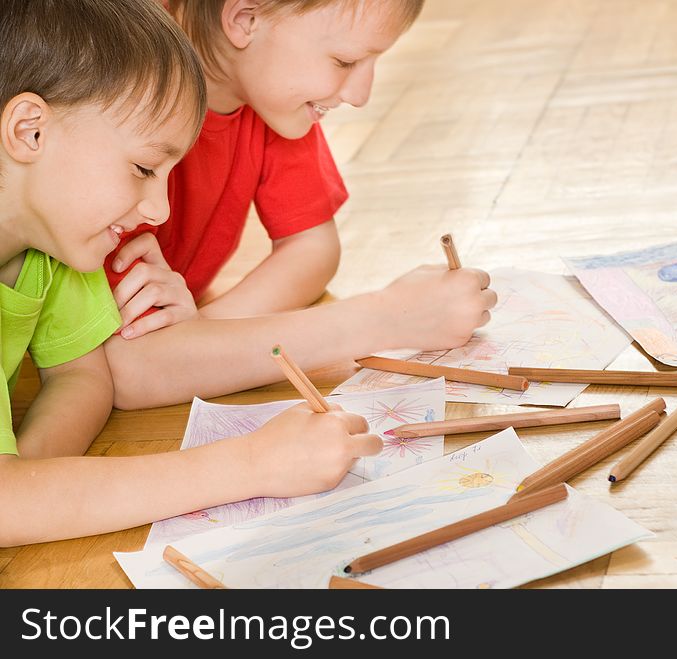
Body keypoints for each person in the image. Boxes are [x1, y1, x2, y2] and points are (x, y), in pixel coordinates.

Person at [0, 0, 380, 548]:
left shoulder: (53, 245)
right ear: (30, 131)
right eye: (143, 169)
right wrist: (253, 462)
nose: (160, 210)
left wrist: (33, 482)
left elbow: (83, 378)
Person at [101, 0, 498, 410]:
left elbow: (312, 247)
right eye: (345, 61)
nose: (361, 95)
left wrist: (202, 330)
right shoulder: (112, 95)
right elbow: (128, 369)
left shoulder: (266, 89)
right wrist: (386, 318)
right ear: (245, 19)